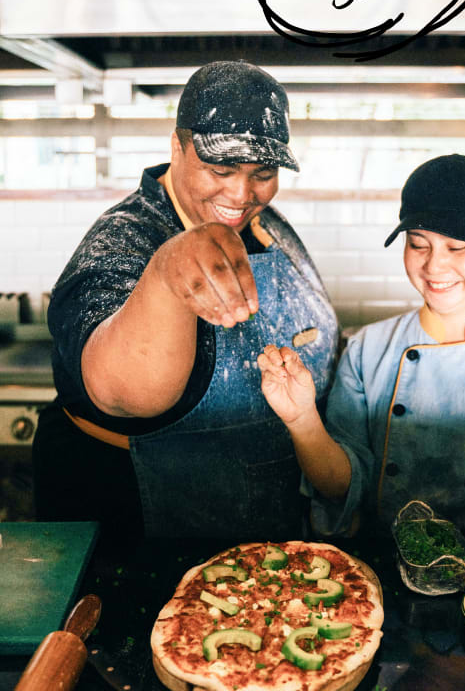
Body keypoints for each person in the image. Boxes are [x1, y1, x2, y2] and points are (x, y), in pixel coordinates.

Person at [33, 61, 338, 540]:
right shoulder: (122, 239)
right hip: (137, 521)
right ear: (177, 145)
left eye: (263, 172)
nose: (241, 193)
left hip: (266, 516)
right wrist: (165, 274)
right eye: (220, 169)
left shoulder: (268, 223)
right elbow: (119, 392)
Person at [257, 154, 465, 586]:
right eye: (418, 243)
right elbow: (342, 490)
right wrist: (301, 419)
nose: (434, 266)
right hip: (379, 581)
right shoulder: (369, 349)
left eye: (457, 247)